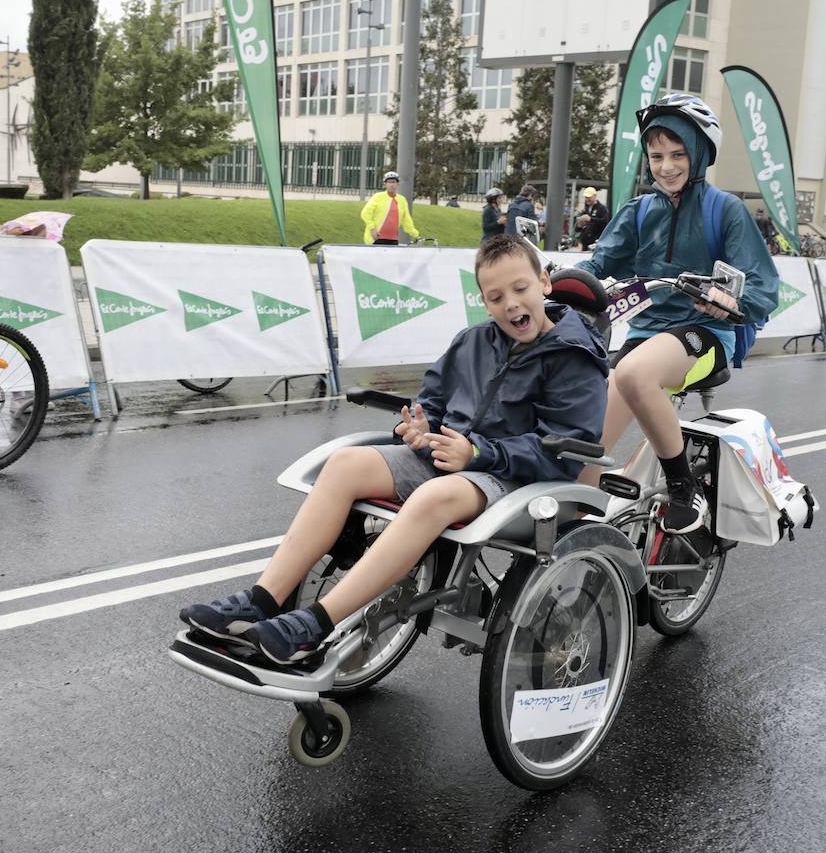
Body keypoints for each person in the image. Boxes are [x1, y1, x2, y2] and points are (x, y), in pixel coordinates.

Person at [181, 233, 609, 664]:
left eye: (521, 289)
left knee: (434, 496)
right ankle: (262, 598)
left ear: (544, 282)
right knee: (345, 463)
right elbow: (433, 401)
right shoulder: (473, 340)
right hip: (452, 458)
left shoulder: (575, 355)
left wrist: (477, 454)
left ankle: (314, 624)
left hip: (512, 478)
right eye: (496, 297)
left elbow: (565, 450)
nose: (512, 304)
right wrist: (421, 428)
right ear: (484, 301)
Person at [574, 93, 779, 533]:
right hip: (644, 334)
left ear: (700, 153)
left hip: (704, 335)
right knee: (581, 447)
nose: (666, 166)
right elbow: (598, 263)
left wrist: (730, 303)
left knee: (632, 374)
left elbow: (762, 287)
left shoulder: (725, 210)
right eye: (656, 155)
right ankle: (578, 535)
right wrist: (560, 282)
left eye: (678, 153)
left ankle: (684, 486)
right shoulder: (639, 210)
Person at [361, 171, 420, 246]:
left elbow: (406, 220)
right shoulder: (378, 197)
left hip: (393, 239)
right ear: (385, 184)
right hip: (376, 238)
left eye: (394, 182)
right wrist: (372, 229)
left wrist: (415, 234)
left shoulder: (402, 200)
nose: (392, 185)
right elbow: (365, 213)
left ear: (398, 184)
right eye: (389, 182)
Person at [574, 186, 610, 251]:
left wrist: (590, 219)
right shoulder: (586, 209)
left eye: (589, 197)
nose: (587, 199)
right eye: (586, 197)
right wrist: (579, 225)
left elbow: (605, 221)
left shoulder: (602, 208)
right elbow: (577, 229)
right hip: (585, 243)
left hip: (596, 242)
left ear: (595, 196)